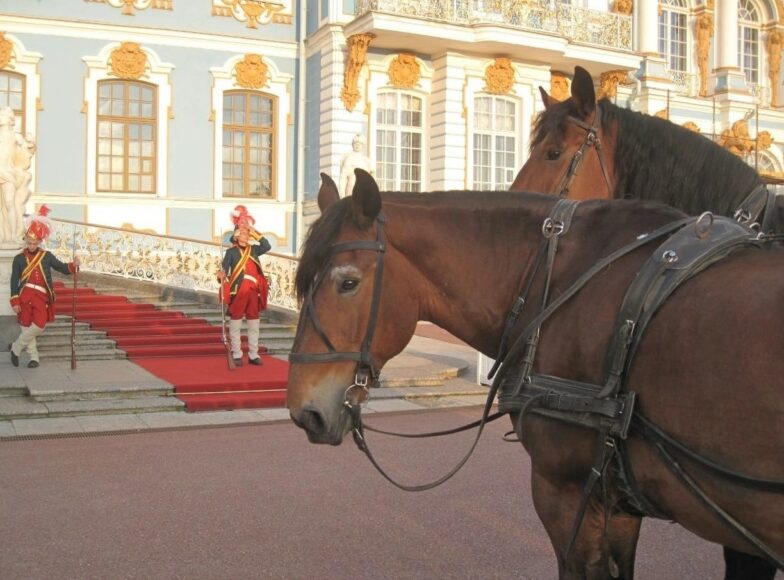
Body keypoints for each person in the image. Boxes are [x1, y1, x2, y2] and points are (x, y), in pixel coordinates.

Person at [9, 206, 79, 368]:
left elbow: (62, 267)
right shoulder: (19, 259)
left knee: (39, 325)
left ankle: (16, 347)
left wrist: (74, 265)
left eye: (35, 242)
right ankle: (34, 358)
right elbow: (14, 281)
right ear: (26, 241)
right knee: (26, 325)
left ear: (40, 241)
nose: (32, 245)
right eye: (29, 242)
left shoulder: (46, 256)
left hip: (41, 297)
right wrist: (15, 301)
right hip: (24, 296)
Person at [216, 205, 271, 366]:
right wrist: (220, 276)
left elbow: (267, 245)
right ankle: (237, 353)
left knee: (254, 323)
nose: (246, 236)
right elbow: (224, 270)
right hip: (239, 290)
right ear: (237, 236)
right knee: (236, 323)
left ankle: (253, 354)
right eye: (244, 233)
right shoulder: (231, 252)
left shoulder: (254, 250)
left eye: (248, 234)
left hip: (254, 291)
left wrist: (253, 230)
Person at [0, 106, 36, 245]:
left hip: (8, 173)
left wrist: (31, 143)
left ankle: (13, 236)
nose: (0, 117)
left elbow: (28, 148)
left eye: (2, 115)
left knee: (10, 203)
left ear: (10, 120)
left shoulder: (15, 136)